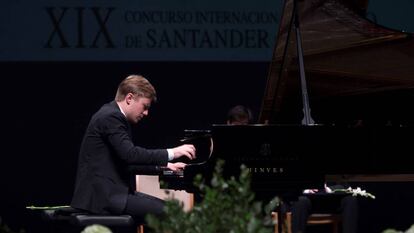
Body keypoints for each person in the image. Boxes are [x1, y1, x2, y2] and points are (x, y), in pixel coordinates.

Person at [71, 75, 196, 223]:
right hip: (103, 197)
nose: (146, 113)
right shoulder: (111, 117)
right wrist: (173, 153)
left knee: (168, 208)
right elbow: (130, 155)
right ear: (129, 98)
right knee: (168, 211)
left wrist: (165, 167)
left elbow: (127, 163)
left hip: (109, 193)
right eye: (145, 107)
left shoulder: (113, 115)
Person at [290, 183, 358, 233]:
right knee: (300, 200)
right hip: (309, 200)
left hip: (333, 199)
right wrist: (307, 189)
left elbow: (346, 184)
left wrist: (329, 189)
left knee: (350, 199)